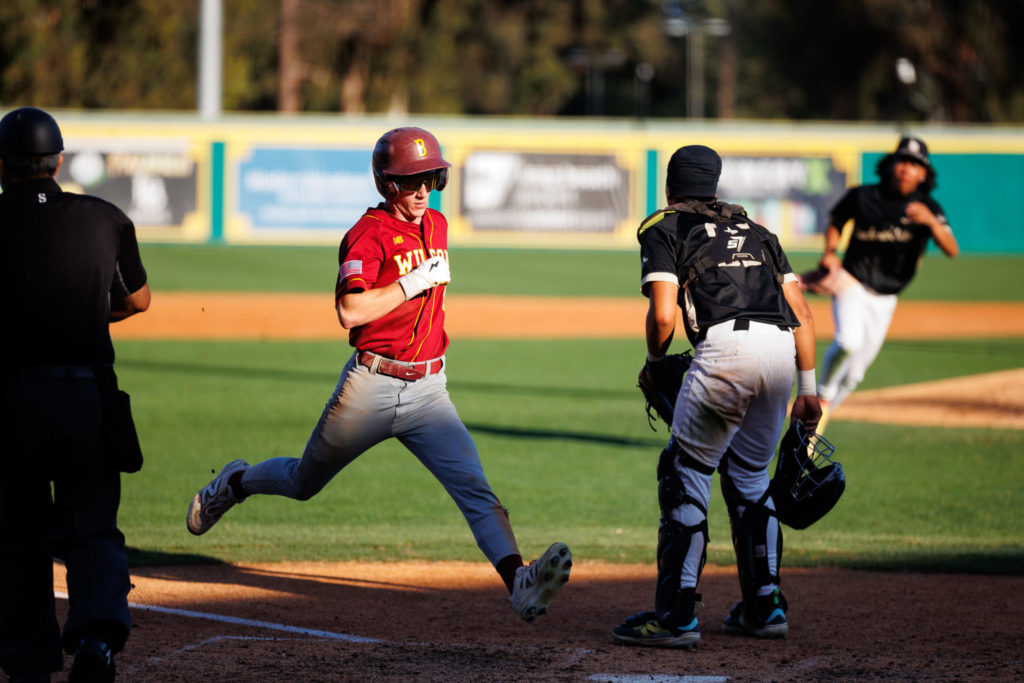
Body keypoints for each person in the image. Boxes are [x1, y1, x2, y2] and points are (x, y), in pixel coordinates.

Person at [185, 126, 571, 624]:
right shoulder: (366, 234)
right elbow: (350, 311)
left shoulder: (436, 225)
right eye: (411, 181)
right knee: (304, 482)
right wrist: (412, 282)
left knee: (476, 490)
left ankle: (518, 582)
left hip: (430, 391)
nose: (422, 190)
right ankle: (235, 483)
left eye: (430, 178)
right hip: (371, 386)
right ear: (387, 184)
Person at [611, 145, 821, 649]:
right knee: (750, 477)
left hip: (727, 350)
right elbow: (803, 314)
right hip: (779, 353)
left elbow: (664, 316)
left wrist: (657, 367)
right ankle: (764, 607)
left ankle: (677, 616)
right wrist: (809, 391)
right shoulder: (759, 232)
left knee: (684, 473)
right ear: (716, 184)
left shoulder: (664, 227)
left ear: (671, 186)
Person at [0, 107, 151, 682]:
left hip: (11, 403)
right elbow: (137, 301)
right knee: (92, 528)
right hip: (88, 399)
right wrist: (86, 314)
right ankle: (95, 642)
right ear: (58, 161)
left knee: (15, 535)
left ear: (2, 166)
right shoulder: (104, 216)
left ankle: (29, 662)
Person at [812, 136, 958, 431]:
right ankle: (823, 397)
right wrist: (830, 252)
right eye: (903, 161)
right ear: (891, 164)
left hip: (887, 296)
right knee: (848, 341)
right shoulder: (863, 195)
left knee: (854, 376)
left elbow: (951, 249)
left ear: (924, 174)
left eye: (916, 165)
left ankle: (810, 429)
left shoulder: (928, 207)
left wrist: (931, 222)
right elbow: (836, 221)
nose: (907, 169)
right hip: (852, 280)